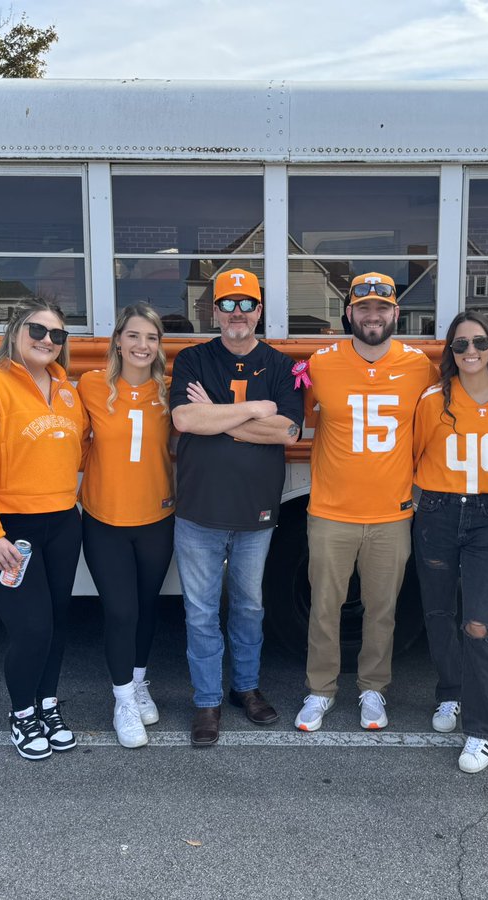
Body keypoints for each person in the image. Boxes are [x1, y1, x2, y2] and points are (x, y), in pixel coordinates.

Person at [294, 273, 436, 732]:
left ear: (396, 314)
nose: (373, 316)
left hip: (392, 511)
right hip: (331, 510)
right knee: (323, 607)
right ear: (349, 314)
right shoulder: (321, 363)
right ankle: (320, 690)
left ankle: (373, 689)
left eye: (382, 308)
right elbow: (292, 416)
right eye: (364, 308)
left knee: (382, 609)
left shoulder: (420, 366)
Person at [170, 268, 303, 747]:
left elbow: (288, 431)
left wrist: (219, 417)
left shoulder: (283, 366)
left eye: (247, 304)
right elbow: (185, 418)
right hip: (199, 510)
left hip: (256, 513)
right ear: (214, 311)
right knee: (201, 612)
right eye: (228, 304)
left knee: (249, 606)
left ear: (259, 311)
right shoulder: (192, 359)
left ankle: (244, 688)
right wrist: (254, 409)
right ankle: (206, 700)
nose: (238, 314)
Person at [0, 300, 86, 761]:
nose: (48, 340)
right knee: (31, 630)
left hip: (64, 523)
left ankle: (47, 703)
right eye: (38, 330)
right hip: (9, 531)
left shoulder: (68, 391)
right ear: (15, 330)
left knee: (57, 623)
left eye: (58, 335)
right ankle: (22, 712)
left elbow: (77, 454)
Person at [412, 311, 488, 773]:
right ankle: (450, 693)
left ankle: (481, 731)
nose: (470, 353)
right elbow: (415, 455)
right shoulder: (432, 399)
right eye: (460, 345)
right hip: (438, 513)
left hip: (487, 515)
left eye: (479, 343)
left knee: (478, 621)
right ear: (450, 352)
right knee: (438, 612)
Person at [78, 303, 175, 749]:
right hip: (105, 519)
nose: (142, 345)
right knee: (121, 611)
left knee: (147, 606)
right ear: (118, 340)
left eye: (151, 338)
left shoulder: (169, 392)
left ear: (159, 347)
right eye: (134, 336)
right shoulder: (91, 386)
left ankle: (139, 682)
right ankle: (121, 701)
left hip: (156, 517)